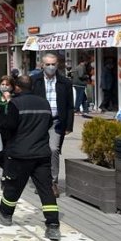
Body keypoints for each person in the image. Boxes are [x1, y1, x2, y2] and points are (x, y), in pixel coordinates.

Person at [0, 75, 61, 241]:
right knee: (46, 189)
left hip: (20, 153)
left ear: (18, 88)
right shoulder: (44, 103)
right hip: (42, 154)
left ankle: (5, 214)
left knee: (13, 185)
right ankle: (53, 226)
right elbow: (49, 123)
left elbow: (9, 128)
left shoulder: (15, 104)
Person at [31, 52, 74, 198]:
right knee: (38, 151)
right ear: (42, 65)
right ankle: (40, 182)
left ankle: (52, 182)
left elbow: (69, 106)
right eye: (47, 64)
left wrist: (69, 125)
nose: (50, 67)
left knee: (53, 149)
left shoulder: (65, 82)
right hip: (38, 122)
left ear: (57, 65)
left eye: (53, 64)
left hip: (56, 122)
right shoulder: (34, 81)